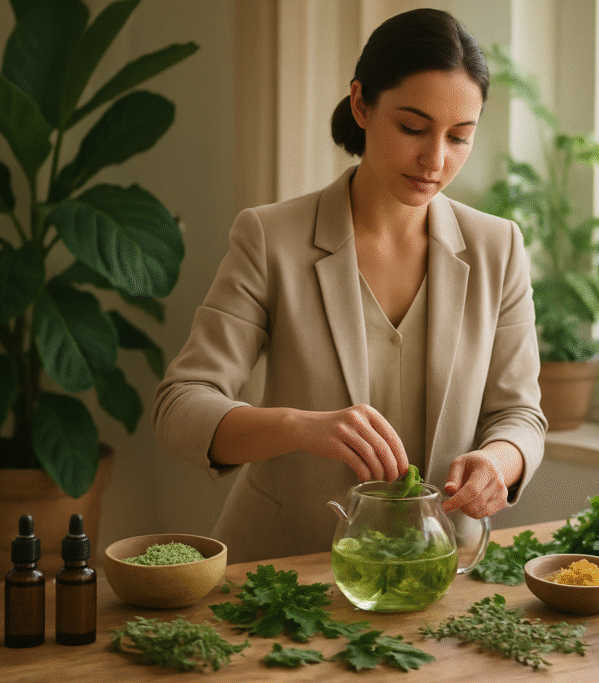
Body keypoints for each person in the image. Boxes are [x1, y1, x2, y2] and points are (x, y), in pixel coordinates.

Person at [152, 8, 547, 562]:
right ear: (361, 104)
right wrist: (299, 427)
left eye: (459, 137)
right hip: (284, 567)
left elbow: (520, 415)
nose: (435, 160)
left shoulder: (497, 247)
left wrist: (499, 461)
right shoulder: (270, 237)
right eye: (413, 127)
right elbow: (179, 408)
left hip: (439, 571)